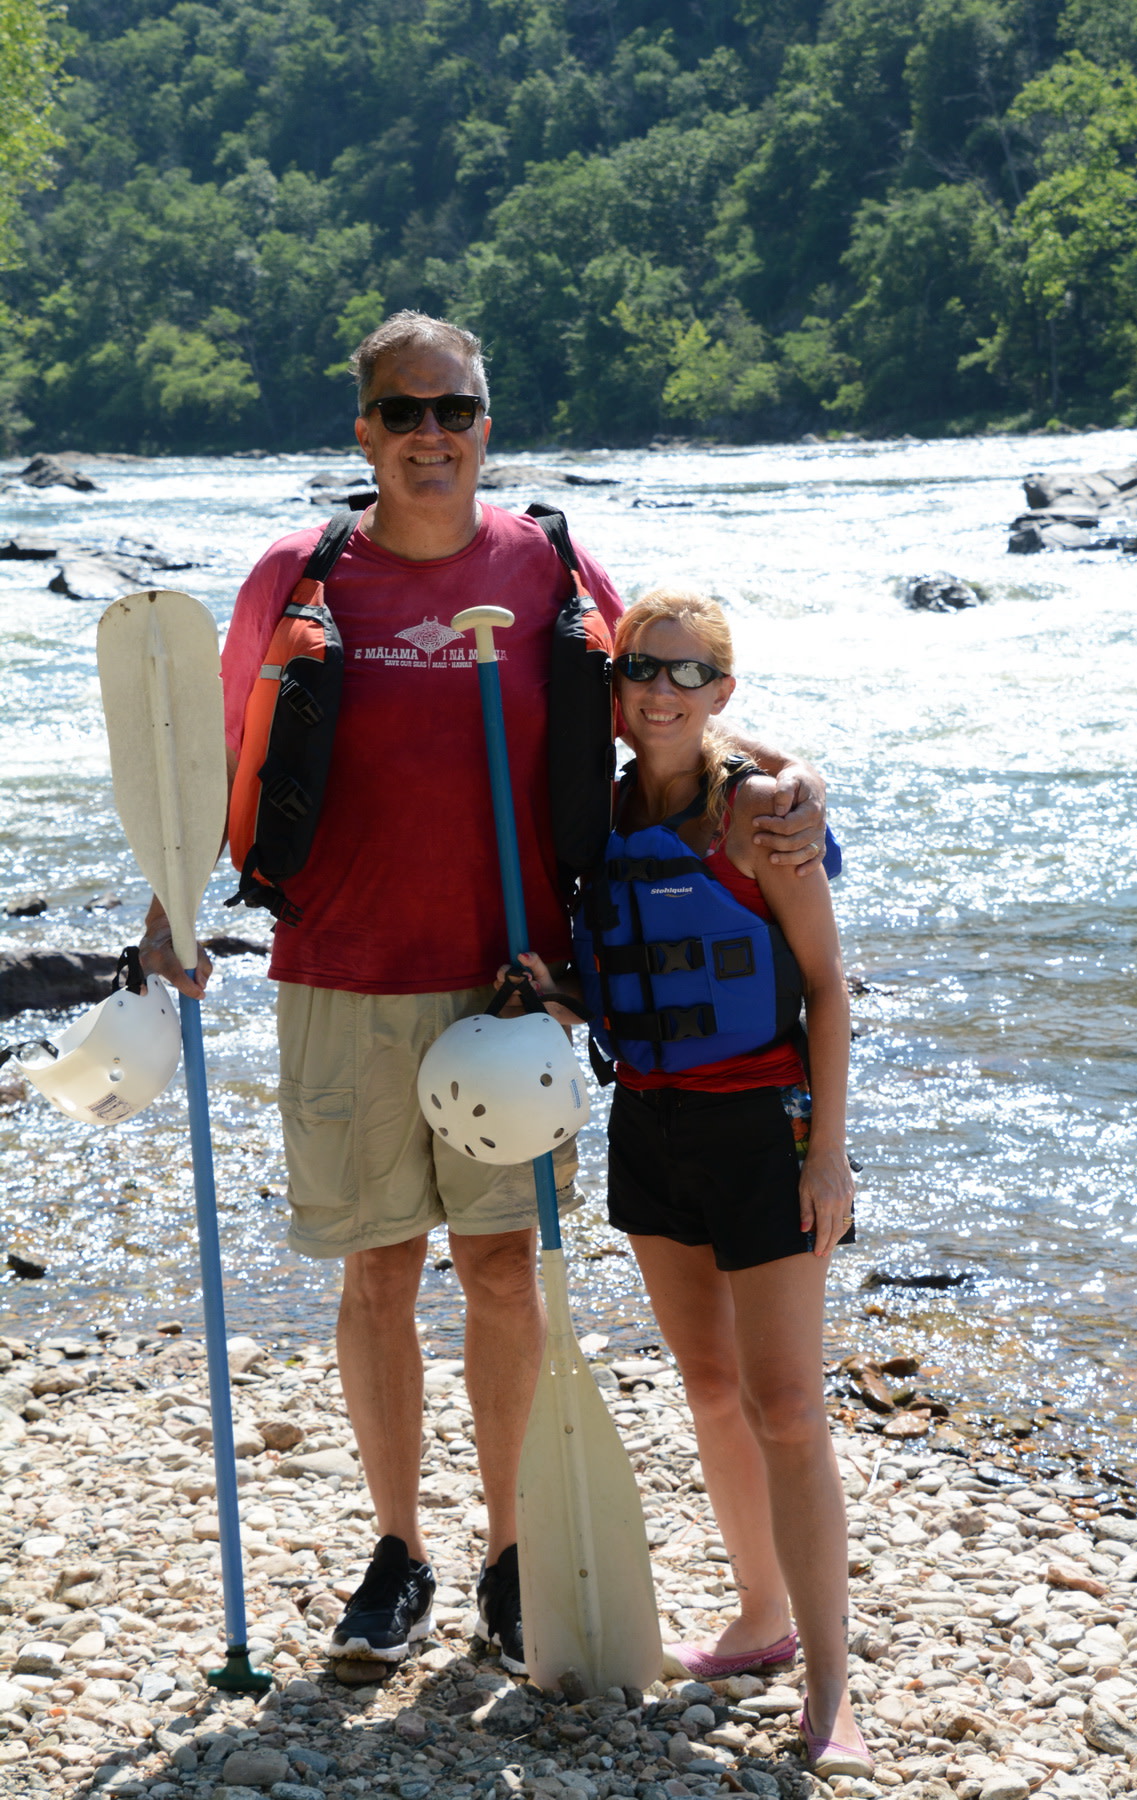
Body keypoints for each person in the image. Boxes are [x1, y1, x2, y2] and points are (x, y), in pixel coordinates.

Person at [140, 311, 830, 1676]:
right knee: (378, 1272)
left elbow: (660, 703)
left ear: (486, 427)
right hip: (337, 969)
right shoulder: (298, 574)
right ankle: (398, 1556)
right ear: (365, 432)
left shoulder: (546, 564)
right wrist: (169, 908)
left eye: (454, 411)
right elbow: (226, 748)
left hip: (516, 989)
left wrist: (785, 765)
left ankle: (514, 1556)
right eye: (404, 413)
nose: (431, 436)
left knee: (505, 1273)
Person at [519, 587, 871, 1778]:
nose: (660, 692)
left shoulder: (760, 813)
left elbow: (828, 988)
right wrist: (556, 994)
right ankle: (759, 1619)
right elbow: (627, 977)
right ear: (612, 696)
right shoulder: (603, 814)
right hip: (651, 1128)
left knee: (786, 1406)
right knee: (714, 1389)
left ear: (722, 691)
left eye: (687, 673)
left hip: (762, 1133)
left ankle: (831, 1688)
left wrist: (828, 1152)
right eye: (640, 672)